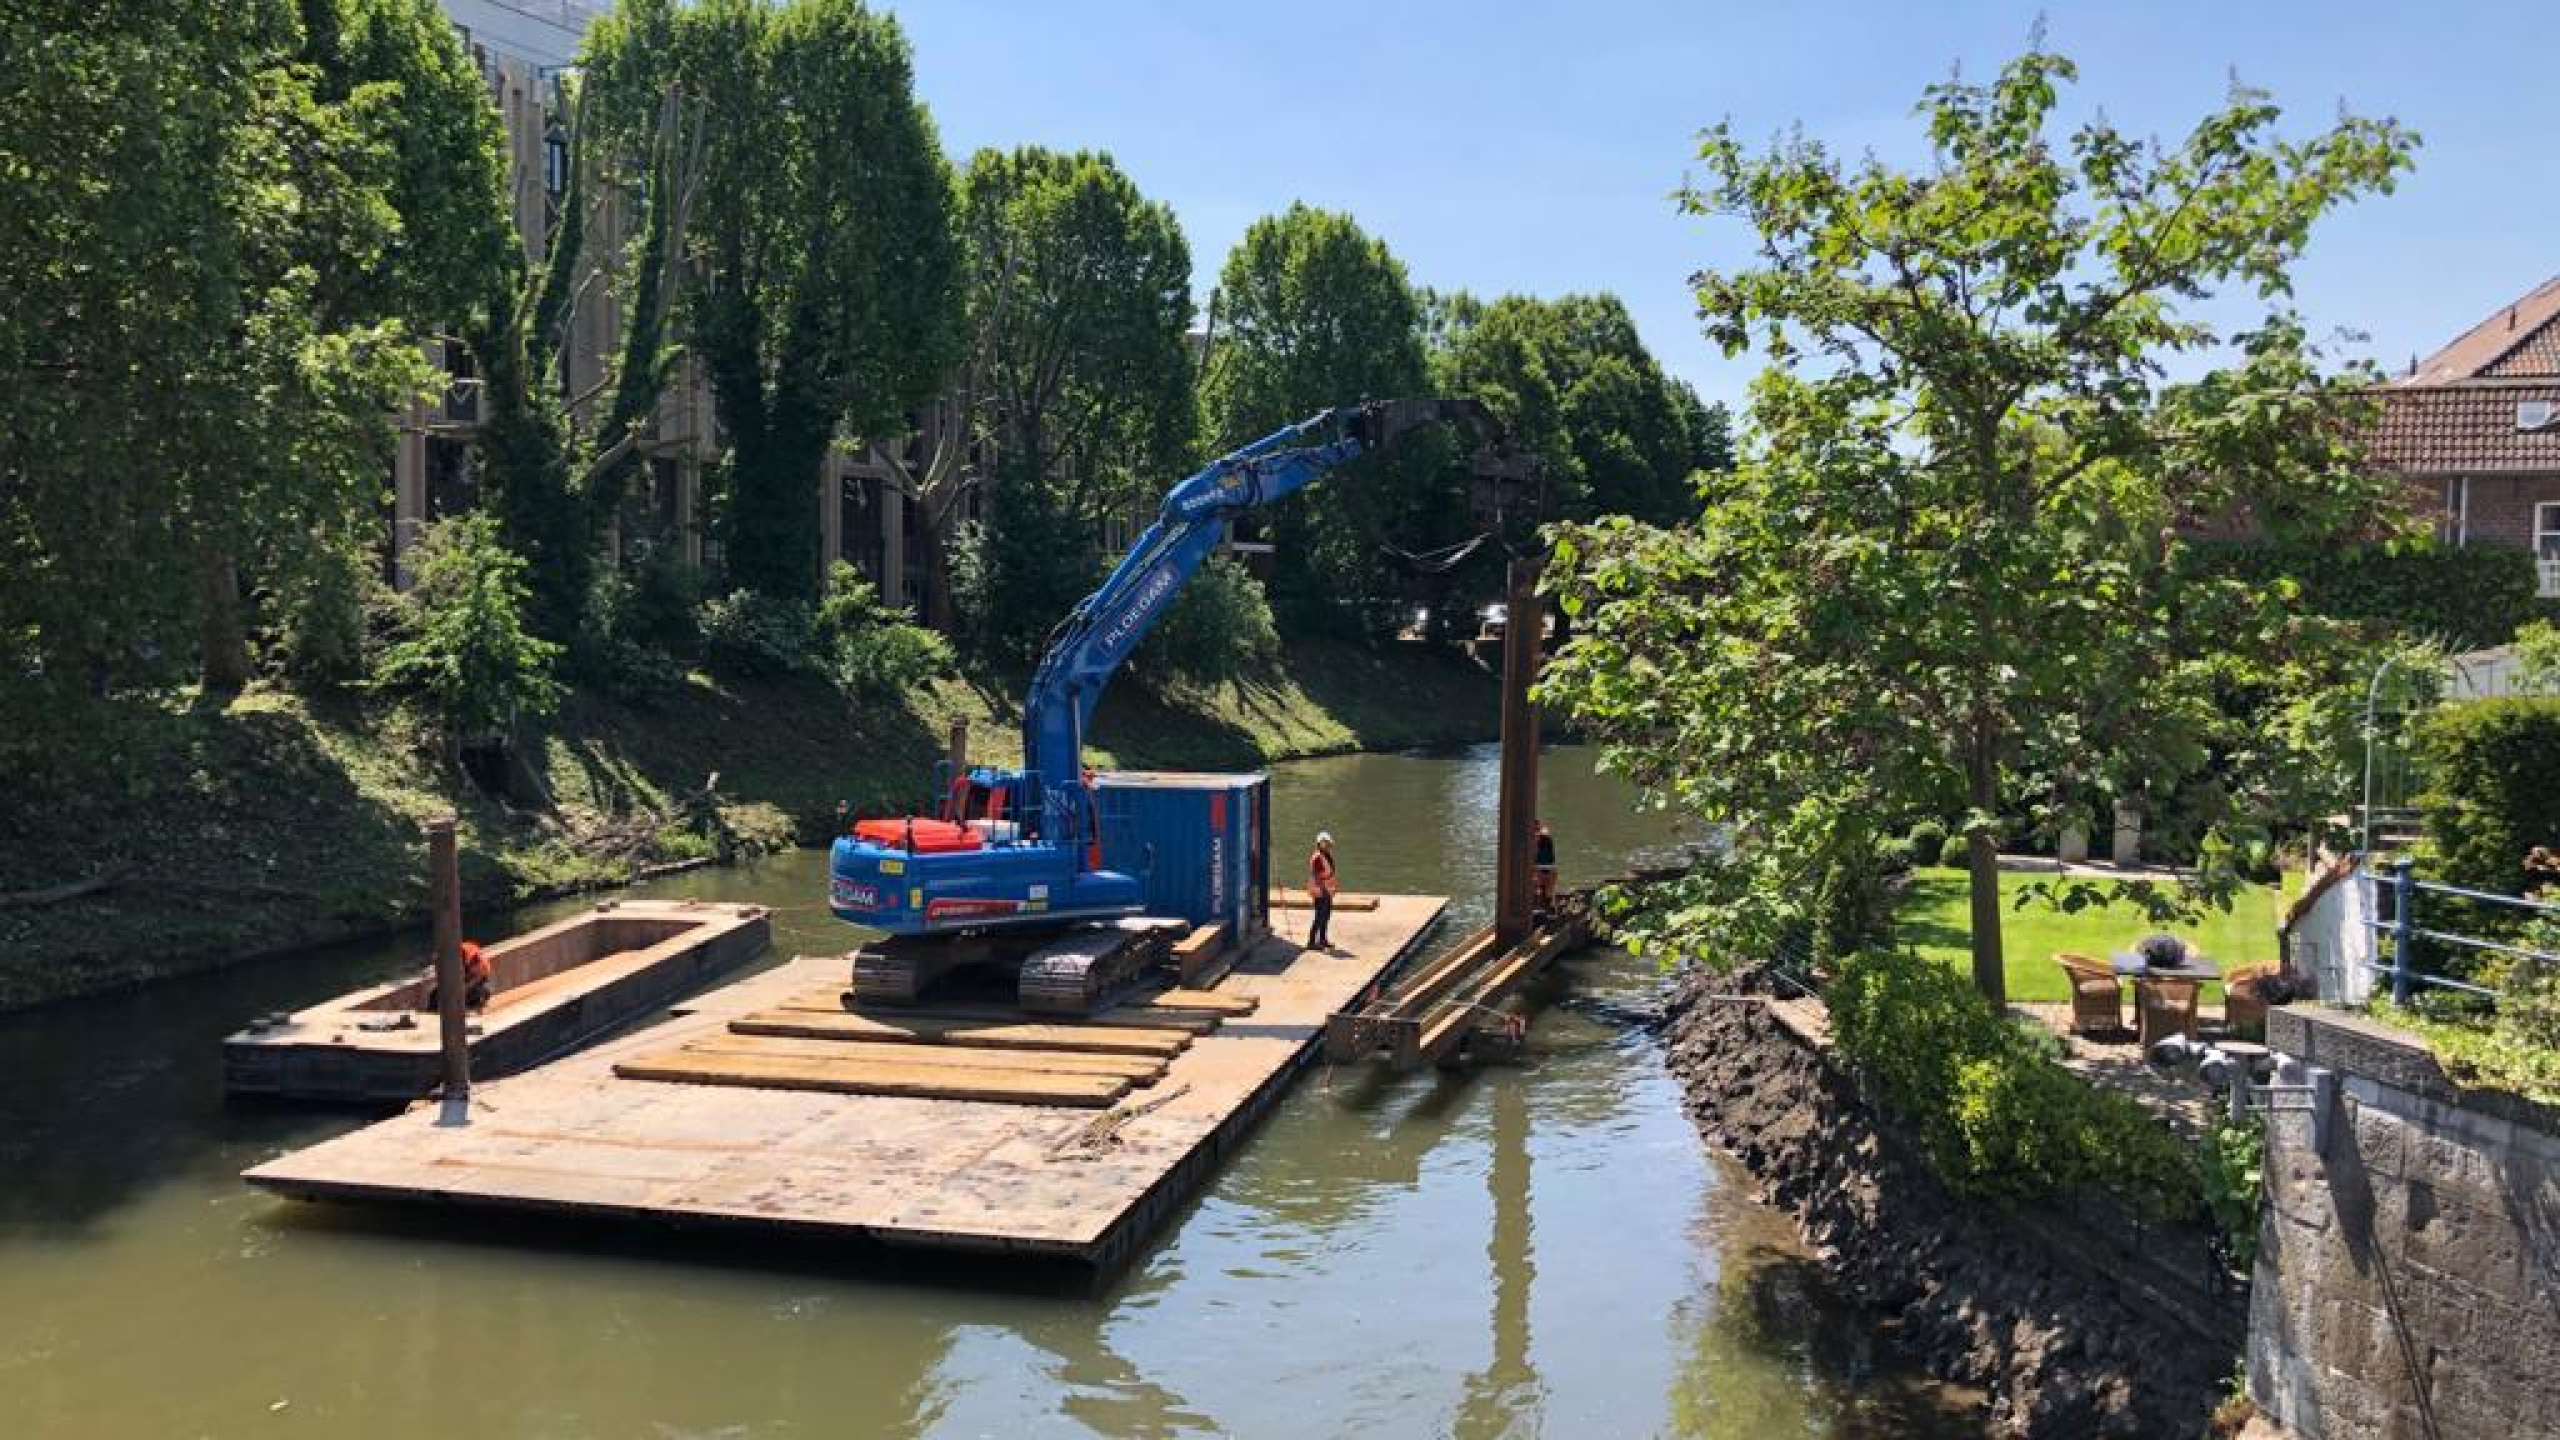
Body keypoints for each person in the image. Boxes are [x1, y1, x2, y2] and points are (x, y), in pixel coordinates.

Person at [426, 939, 493, 1013]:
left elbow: (480, 975)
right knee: (434, 995)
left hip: (476, 982)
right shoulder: (452, 959)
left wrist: (463, 988)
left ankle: (475, 1006)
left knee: (480, 991)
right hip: (464, 980)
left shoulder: (471, 958)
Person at [1307, 831, 1340, 952]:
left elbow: (1329, 872)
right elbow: (1317, 875)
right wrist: (1324, 890)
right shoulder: (1317, 857)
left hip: (1326, 889)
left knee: (1326, 915)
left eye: (1328, 843)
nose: (1327, 845)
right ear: (1320, 843)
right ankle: (1311, 942)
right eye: (1325, 843)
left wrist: (1331, 887)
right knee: (1319, 916)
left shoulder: (1326, 855)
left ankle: (1322, 940)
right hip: (1319, 889)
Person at [1532, 820, 1558, 914]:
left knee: (1549, 879)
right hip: (1539, 869)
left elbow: (1551, 864)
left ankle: (1549, 903)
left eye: (1537, 830)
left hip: (1546, 869)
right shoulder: (1529, 841)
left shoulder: (1546, 840)